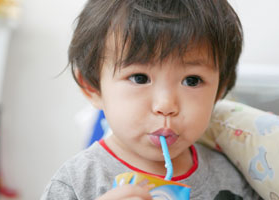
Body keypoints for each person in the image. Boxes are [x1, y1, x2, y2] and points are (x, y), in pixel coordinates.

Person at [41, 0, 262, 199]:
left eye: (192, 81)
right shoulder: (76, 182)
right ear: (93, 88)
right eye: (139, 78)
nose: (166, 105)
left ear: (219, 90)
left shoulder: (235, 176)